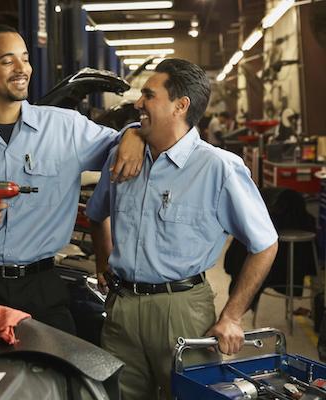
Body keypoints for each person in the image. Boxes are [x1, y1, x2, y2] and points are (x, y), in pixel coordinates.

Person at [0, 24, 143, 334]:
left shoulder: (65, 128)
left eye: (25, 58)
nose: (22, 68)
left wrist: (133, 134)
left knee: (54, 373)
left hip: (42, 285)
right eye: (7, 60)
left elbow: (120, 147)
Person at [86, 58, 278, 399]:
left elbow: (265, 244)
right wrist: (104, 265)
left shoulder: (218, 168)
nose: (139, 103)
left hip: (183, 312)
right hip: (123, 309)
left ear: (180, 105)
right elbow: (97, 213)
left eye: (149, 95)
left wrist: (232, 316)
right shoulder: (124, 155)